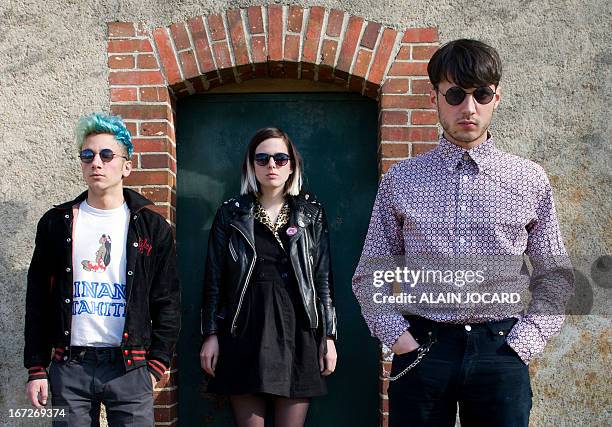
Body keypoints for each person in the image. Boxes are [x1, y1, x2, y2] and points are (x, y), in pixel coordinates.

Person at [352, 39, 573, 427]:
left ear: (496, 97)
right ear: (435, 97)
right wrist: (401, 341)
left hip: (501, 349)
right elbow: (371, 275)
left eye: (481, 94)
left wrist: (524, 344)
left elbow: (554, 274)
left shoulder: (528, 179)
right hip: (423, 347)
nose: (468, 108)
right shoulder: (402, 180)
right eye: (455, 94)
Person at [24, 112, 180, 426]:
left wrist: (157, 364)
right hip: (70, 366)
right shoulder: (56, 223)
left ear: (126, 166)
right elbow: (38, 298)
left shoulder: (151, 227)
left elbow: (168, 301)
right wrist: (36, 368)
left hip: (130, 366)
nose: (96, 162)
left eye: (107, 155)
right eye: (88, 155)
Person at [200, 127, 338, 427]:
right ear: (251, 166)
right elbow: (214, 280)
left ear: (291, 165)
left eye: (279, 158)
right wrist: (211, 334)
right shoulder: (231, 214)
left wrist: (328, 336)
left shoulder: (310, 214)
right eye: (261, 159)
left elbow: (322, 279)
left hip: (298, 332)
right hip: (243, 331)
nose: (271, 166)